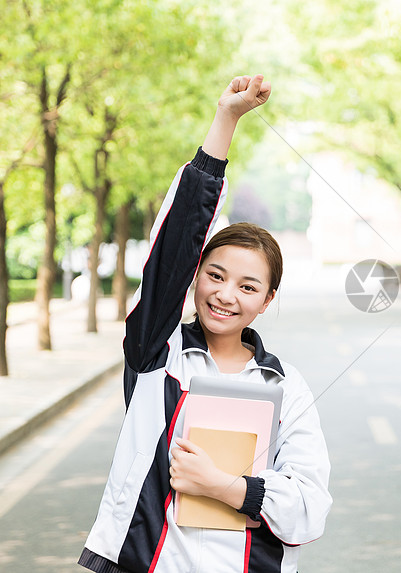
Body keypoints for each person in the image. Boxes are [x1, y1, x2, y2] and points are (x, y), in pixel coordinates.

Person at [78, 75, 332, 573]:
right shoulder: (159, 356)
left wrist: (222, 486)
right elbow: (175, 243)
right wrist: (226, 118)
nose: (226, 294)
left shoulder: (285, 388)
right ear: (195, 277)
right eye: (215, 275)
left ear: (268, 300)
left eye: (248, 286)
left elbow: (308, 509)